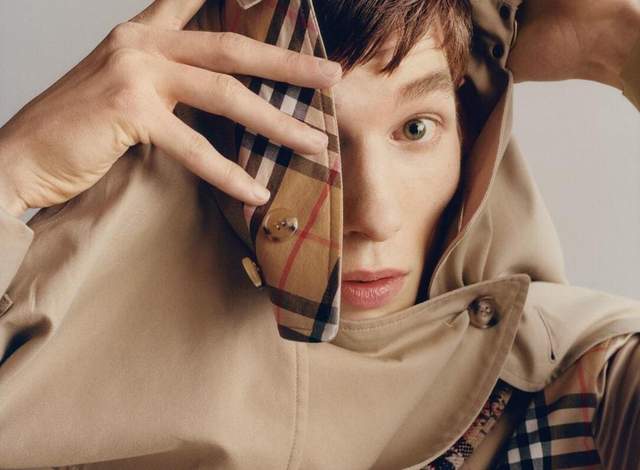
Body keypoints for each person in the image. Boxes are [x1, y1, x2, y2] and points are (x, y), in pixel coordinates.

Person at [0, 0, 638, 468]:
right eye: (293, 143)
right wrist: (14, 172)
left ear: (471, 132)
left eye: (416, 128)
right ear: (200, 129)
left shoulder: (575, 382)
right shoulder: (44, 378)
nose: (375, 215)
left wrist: (628, 46)